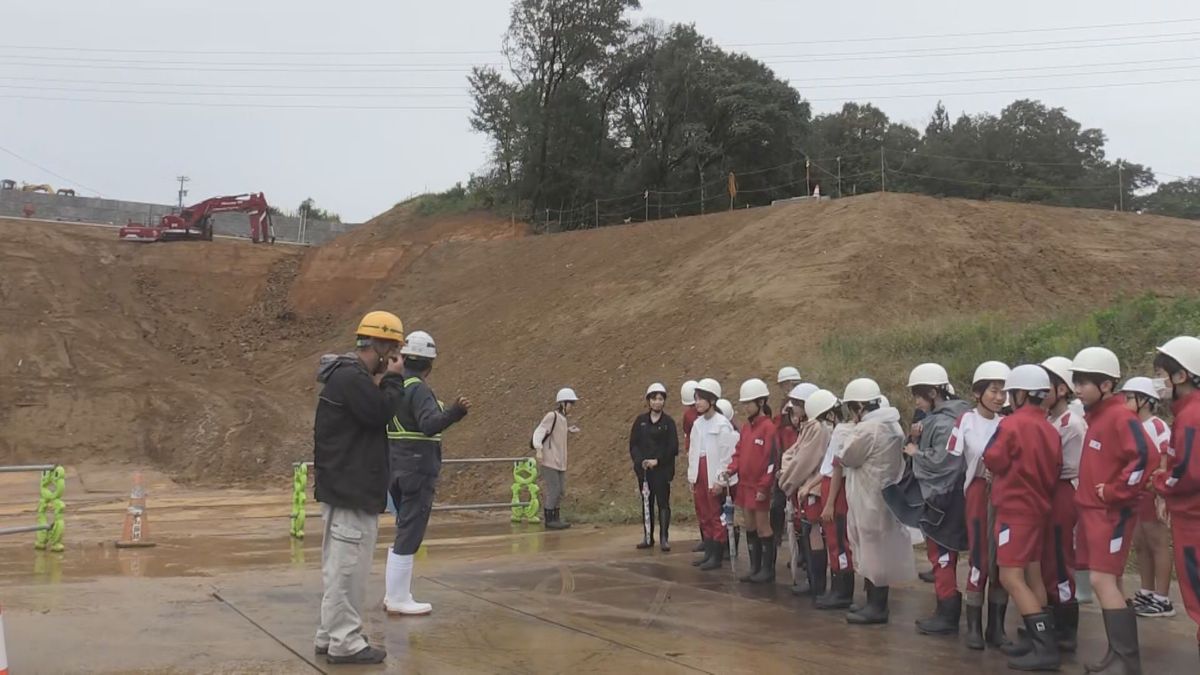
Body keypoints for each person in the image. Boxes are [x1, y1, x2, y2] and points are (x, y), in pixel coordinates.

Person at [312, 311, 407, 665]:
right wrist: (394, 380)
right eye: (392, 348)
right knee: (348, 569)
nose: (395, 356)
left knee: (338, 566)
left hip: (343, 485)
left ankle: (330, 632)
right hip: (351, 488)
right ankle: (346, 641)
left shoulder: (346, 376)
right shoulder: (353, 379)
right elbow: (381, 413)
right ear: (379, 345)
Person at [1071, 347, 1154, 674]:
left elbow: (1145, 455)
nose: (1077, 389)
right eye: (1075, 381)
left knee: (1102, 579)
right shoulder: (1099, 415)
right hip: (1094, 512)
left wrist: (1118, 490)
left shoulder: (1119, 416)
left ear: (1106, 385)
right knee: (1110, 581)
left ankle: (1126, 660)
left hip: (1111, 513)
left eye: (1083, 382)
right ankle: (1117, 655)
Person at [383, 331, 470, 617]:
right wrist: (455, 413)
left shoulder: (392, 386)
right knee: (410, 531)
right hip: (417, 469)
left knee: (403, 528)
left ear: (405, 357)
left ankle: (395, 593)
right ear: (430, 365)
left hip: (396, 466)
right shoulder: (418, 389)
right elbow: (429, 425)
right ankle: (397, 598)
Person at [982, 364, 1063, 670]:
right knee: (1033, 573)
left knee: (1009, 576)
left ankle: (1044, 648)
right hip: (1038, 508)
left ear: (1020, 394)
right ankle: (1035, 640)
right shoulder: (1050, 428)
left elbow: (993, 458)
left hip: (1014, 510)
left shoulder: (1012, 425)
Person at [838, 378, 917, 624]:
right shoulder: (892, 425)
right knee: (879, 550)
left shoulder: (867, 429)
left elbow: (847, 456)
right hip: (885, 494)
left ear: (860, 406)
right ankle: (874, 602)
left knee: (871, 551)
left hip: (868, 496)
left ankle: (876, 606)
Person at [904, 363, 971, 636]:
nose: (917, 402)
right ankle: (947, 610)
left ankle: (947, 614)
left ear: (934, 392)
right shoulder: (956, 416)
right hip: (955, 497)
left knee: (941, 555)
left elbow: (944, 462)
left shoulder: (943, 422)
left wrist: (915, 452)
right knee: (943, 555)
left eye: (919, 395)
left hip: (943, 499)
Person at [951, 361, 1011, 650]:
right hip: (976, 492)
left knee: (1002, 559)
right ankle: (973, 625)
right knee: (979, 557)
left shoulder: (1008, 422)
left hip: (1005, 493)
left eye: (1003, 392)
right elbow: (952, 457)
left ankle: (996, 627)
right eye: (994, 391)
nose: (999, 397)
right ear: (978, 393)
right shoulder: (966, 420)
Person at [1151, 336, 1200, 666]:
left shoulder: (1192, 416)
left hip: (1193, 522)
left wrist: (1159, 483)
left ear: (1181, 376)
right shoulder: (1187, 413)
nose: (1159, 382)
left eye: (1162, 374)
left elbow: (1187, 472)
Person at [1038, 356, 1087, 652]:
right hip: (1049, 491)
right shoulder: (1050, 420)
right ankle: (1054, 617)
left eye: (1046, 388)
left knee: (1060, 557)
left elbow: (1069, 467)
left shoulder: (1072, 424)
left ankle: (1067, 627)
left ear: (1062, 389)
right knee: (1048, 557)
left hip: (1062, 492)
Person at [1119, 376, 1176, 618]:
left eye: (1130, 397)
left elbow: (1164, 460)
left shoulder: (1157, 426)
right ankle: (1147, 590)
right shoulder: (1131, 425)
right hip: (1137, 494)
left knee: (1158, 542)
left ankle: (1162, 598)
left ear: (1145, 401)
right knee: (1141, 543)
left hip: (1153, 492)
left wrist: (1160, 493)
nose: (1125, 402)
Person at [720, 379, 779, 583]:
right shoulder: (746, 428)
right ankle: (755, 567)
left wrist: (765, 485)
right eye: (744, 403)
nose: (745, 407)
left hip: (759, 486)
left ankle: (767, 570)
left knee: (763, 526)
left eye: (748, 403)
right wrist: (731, 470)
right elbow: (739, 453)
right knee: (750, 525)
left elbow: (771, 460)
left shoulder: (768, 428)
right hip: (745, 486)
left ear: (761, 402)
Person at [779, 386, 833, 597]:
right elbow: (792, 454)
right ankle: (812, 580)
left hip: (812, 487)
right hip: (807, 485)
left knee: (814, 532)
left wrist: (787, 479)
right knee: (808, 533)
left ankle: (816, 584)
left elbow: (804, 460)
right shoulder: (811, 427)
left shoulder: (817, 429)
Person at [689, 379, 738, 571]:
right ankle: (708, 552)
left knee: (716, 515)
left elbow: (727, 455)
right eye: (696, 399)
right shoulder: (697, 424)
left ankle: (717, 554)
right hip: (700, 472)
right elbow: (693, 452)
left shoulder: (722, 424)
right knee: (703, 514)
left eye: (701, 399)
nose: (697, 403)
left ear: (712, 400)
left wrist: (720, 479)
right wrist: (692, 476)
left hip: (713, 472)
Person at [629, 382, 680, 552]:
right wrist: (640, 461)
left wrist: (658, 460)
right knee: (646, 503)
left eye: (660, 399)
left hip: (662, 471)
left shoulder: (668, 423)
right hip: (644, 472)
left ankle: (664, 538)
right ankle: (647, 536)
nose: (657, 402)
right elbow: (633, 444)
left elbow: (673, 447)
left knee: (663, 504)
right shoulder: (640, 421)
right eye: (654, 399)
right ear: (648, 401)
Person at [534, 388, 580, 530]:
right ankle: (549, 519)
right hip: (550, 460)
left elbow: (557, 433)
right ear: (562, 403)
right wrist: (538, 449)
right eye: (570, 403)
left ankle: (556, 517)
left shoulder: (563, 419)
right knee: (554, 489)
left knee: (561, 491)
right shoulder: (551, 416)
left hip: (560, 461)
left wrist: (568, 430)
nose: (572, 406)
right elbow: (539, 431)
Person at [772, 368, 804, 559]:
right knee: (778, 504)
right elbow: (778, 437)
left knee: (800, 513)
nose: (787, 388)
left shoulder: (807, 426)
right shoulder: (784, 411)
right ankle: (777, 536)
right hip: (784, 465)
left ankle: (801, 552)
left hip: (799, 468)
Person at [681, 380, 703, 553]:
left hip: (705, 460)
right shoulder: (689, 416)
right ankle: (708, 540)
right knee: (702, 504)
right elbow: (689, 436)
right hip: (697, 459)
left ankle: (714, 542)